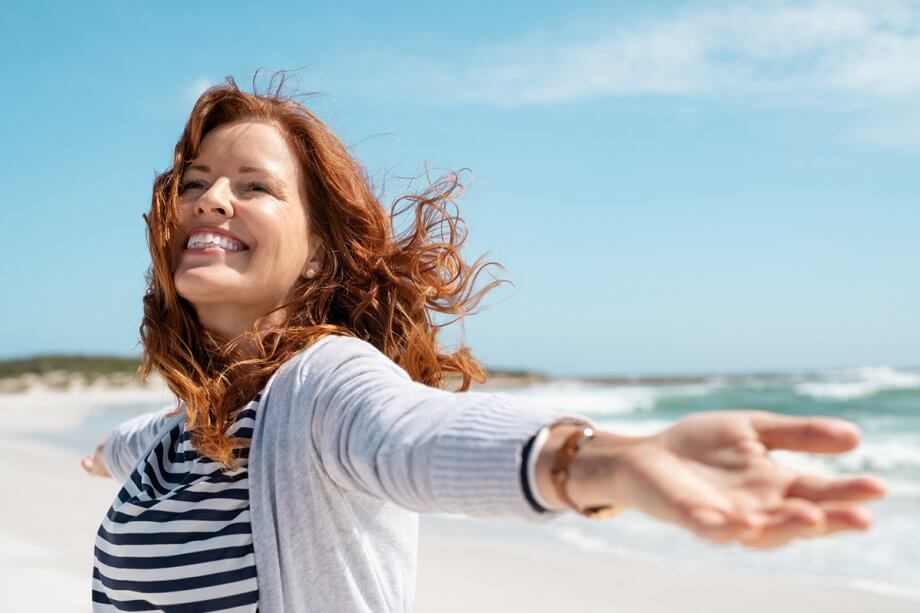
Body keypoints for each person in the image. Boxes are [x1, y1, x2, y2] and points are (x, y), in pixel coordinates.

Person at [81, 75, 888, 613]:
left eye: (253, 185)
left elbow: (418, 436)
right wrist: (101, 452)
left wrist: (598, 462)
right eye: (195, 184)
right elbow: (135, 440)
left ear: (322, 250)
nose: (212, 199)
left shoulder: (320, 389)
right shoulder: (184, 430)